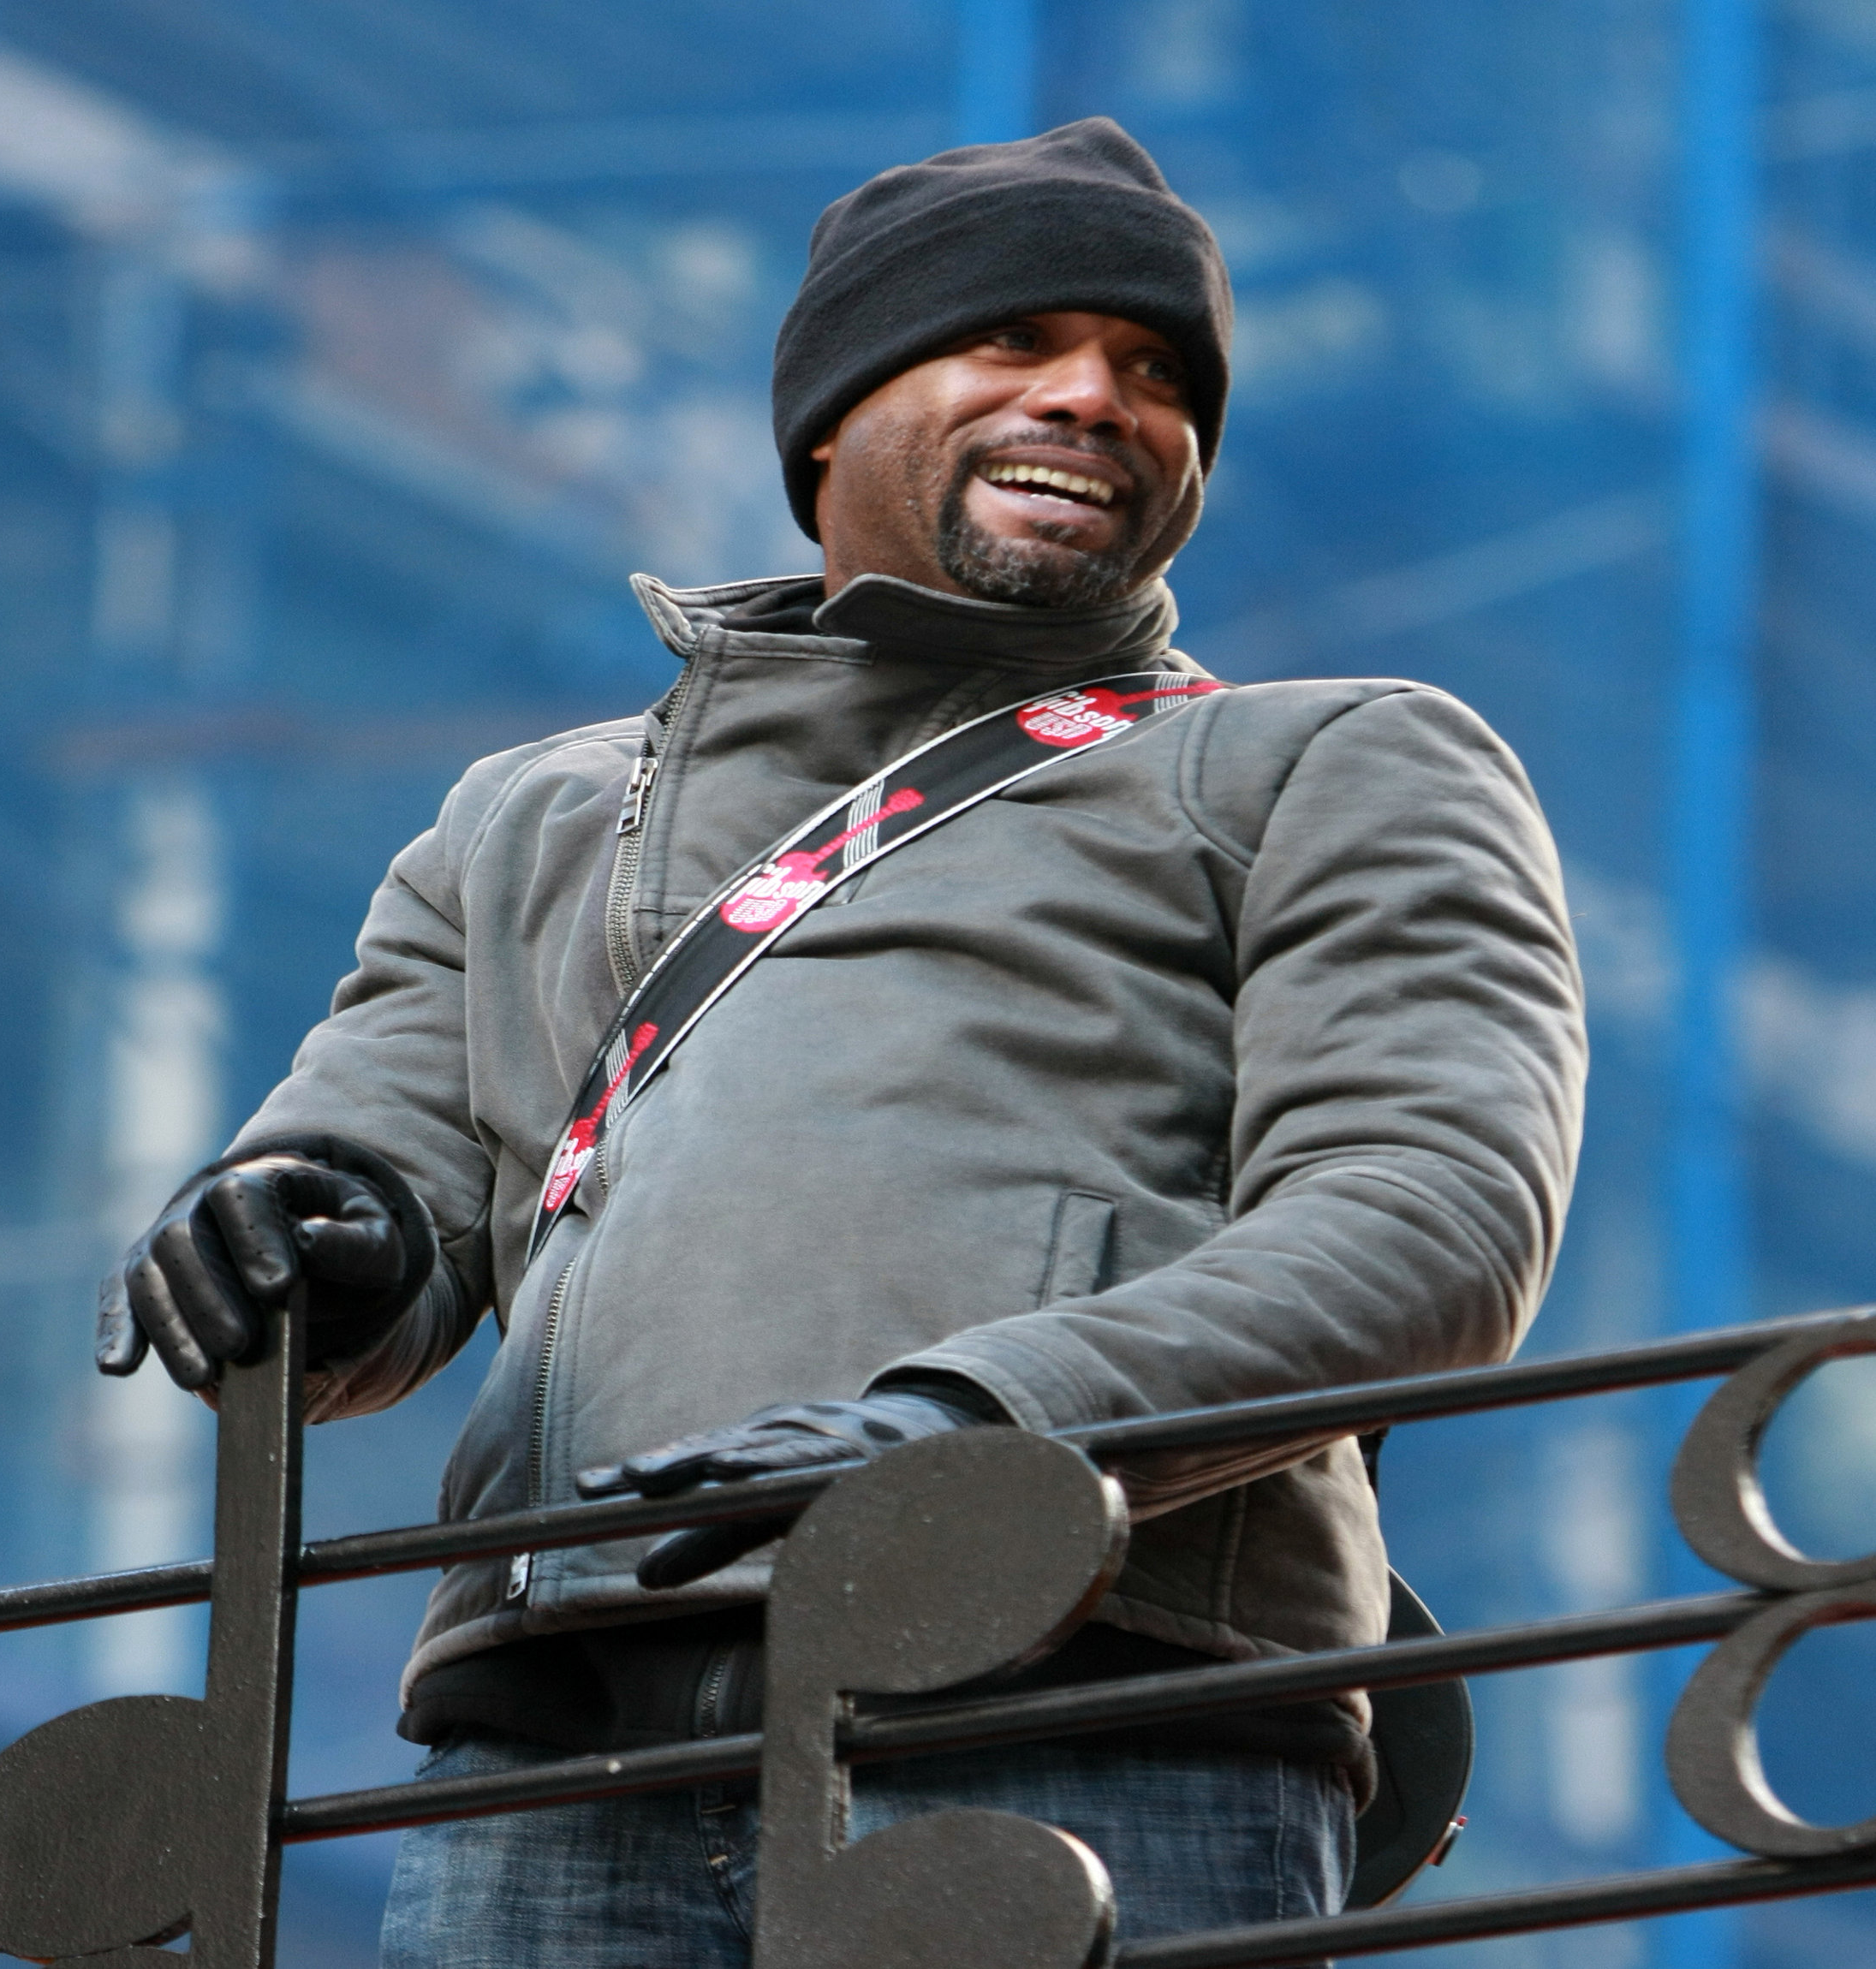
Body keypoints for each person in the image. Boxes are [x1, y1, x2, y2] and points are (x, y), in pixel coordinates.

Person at [96, 119, 1585, 1966]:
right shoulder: (528, 816)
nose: (1097, 399)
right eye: (1015, 343)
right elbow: (371, 1192)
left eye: (1153, 374)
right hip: (553, 1743)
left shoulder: (1321, 759)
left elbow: (1428, 1215)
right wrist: (298, 1241)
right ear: (832, 415)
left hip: (1085, 1688)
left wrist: (971, 1433)